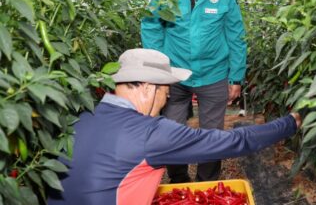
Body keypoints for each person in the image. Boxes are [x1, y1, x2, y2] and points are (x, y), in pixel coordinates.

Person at [48, 48, 301, 205]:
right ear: (149, 88)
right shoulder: (151, 134)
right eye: (165, 91)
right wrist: (290, 123)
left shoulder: (80, 117)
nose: (167, 98)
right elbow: (235, 141)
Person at [141, 0, 247, 183]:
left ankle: (207, 184)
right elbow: (152, 28)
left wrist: (236, 76)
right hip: (174, 74)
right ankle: (179, 180)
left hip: (213, 72)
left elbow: (235, 32)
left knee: (213, 136)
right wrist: (160, 75)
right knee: (171, 132)